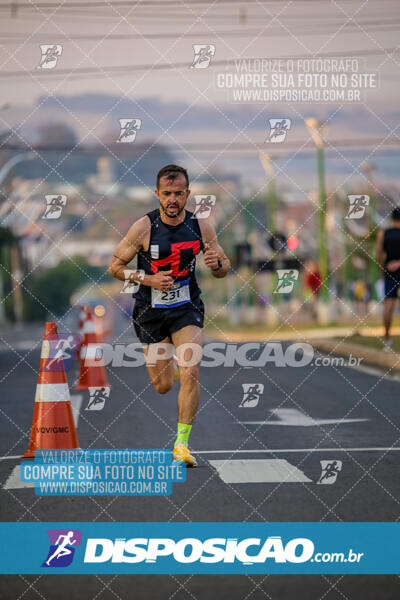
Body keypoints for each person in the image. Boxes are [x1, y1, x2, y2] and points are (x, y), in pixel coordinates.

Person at [109, 165, 230, 466]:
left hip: (186, 307)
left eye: (179, 193)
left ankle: (181, 444)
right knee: (162, 385)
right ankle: (169, 367)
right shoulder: (143, 228)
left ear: (188, 194)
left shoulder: (202, 227)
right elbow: (114, 267)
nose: (173, 199)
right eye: (167, 194)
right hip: (150, 311)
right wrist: (147, 279)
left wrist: (216, 264)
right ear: (157, 195)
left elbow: (223, 269)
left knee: (192, 371)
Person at [376, 206, 400, 350]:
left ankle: (387, 339)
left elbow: (379, 254)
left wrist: (382, 269)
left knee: (389, 305)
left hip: (389, 270)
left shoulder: (382, 234)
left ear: (391, 219)